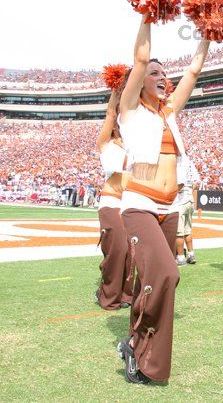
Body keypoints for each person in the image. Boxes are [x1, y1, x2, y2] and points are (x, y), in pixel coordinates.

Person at [116, 13, 210, 384]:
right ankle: (140, 353)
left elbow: (193, 72)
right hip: (139, 203)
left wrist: (208, 35)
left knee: (151, 281)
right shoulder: (130, 111)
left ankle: (136, 344)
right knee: (167, 273)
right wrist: (146, 14)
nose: (161, 77)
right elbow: (140, 59)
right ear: (138, 83)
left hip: (170, 207)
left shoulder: (168, 114)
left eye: (162, 73)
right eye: (154, 74)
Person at [94, 87, 133, 310]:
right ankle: (107, 294)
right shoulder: (105, 144)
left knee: (132, 252)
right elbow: (110, 113)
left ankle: (126, 295)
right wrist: (117, 90)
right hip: (111, 201)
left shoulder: (134, 146)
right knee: (117, 249)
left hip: (131, 203)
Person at [174, 159, 199, 266]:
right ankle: (191, 254)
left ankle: (180, 258)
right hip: (189, 199)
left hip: (181, 200)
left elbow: (180, 184)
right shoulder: (189, 162)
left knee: (179, 232)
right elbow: (196, 182)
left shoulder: (179, 161)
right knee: (187, 230)